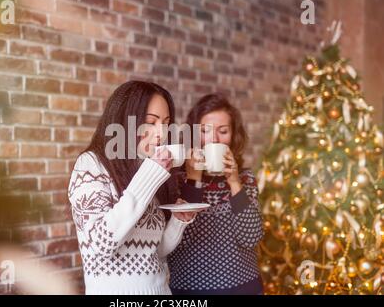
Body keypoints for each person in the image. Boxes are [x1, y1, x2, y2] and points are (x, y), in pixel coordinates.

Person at [68, 81, 195, 295]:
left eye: (166, 123)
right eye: (150, 122)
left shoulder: (145, 167)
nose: (161, 134)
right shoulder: (90, 165)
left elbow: (154, 251)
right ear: (124, 120)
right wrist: (150, 175)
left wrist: (177, 222)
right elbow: (99, 246)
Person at [168, 93, 264, 295]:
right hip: (191, 293)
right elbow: (177, 243)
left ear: (233, 136)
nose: (213, 139)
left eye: (223, 131)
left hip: (244, 290)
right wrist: (194, 181)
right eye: (205, 131)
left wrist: (234, 182)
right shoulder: (175, 179)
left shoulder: (245, 178)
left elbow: (251, 238)